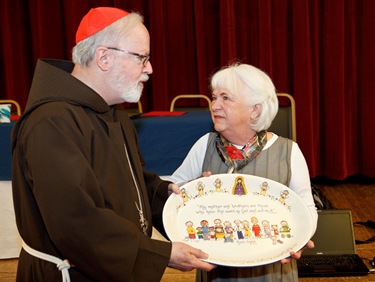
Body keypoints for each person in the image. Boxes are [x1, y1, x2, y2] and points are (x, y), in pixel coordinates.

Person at [11, 7, 215, 281]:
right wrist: (161, 254)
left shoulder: (113, 115)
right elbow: (76, 222)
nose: (150, 69)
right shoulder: (52, 123)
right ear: (104, 57)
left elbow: (132, 185)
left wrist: (185, 200)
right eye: (142, 57)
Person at [170, 63, 318, 281]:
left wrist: (301, 237)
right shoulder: (204, 145)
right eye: (214, 97)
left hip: (272, 273)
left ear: (255, 109)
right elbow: (172, 192)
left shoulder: (287, 151)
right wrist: (191, 190)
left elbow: (306, 207)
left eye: (225, 98)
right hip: (217, 272)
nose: (214, 106)